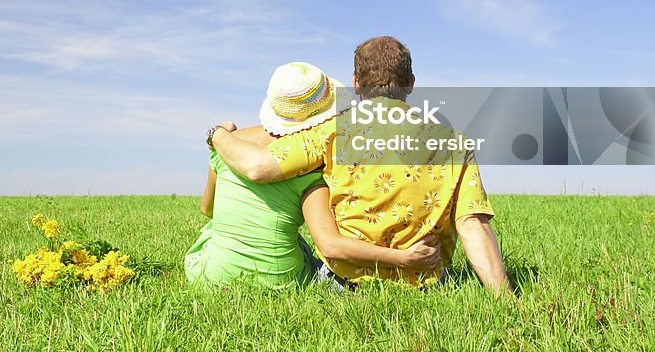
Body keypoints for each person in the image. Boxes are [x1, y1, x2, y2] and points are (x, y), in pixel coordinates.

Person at [209, 37, 510, 293]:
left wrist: (218, 135)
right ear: (410, 83)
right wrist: (505, 300)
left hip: (349, 284)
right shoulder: (454, 142)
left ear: (355, 84)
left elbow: (258, 167)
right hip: (426, 282)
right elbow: (473, 224)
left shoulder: (333, 131)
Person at [186, 62, 442, 288]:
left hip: (210, 277)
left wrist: (219, 133)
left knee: (212, 232)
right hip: (284, 281)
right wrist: (404, 258)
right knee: (304, 248)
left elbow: (207, 208)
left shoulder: (226, 148)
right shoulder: (312, 167)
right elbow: (330, 245)